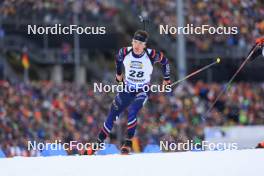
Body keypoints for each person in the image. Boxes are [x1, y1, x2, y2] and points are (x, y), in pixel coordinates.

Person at [95, 30, 171, 154]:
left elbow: (165, 62)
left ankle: (128, 143)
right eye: (135, 42)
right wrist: (119, 75)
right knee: (113, 112)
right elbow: (118, 60)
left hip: (142, 90)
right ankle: (98, 142)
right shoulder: (124, 52)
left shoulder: (151, 54)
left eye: (140, 43)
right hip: (127, 88)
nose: (137, 46)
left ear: (145, 45)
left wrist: (166, 79)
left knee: (132, 111)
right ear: (132, 42)